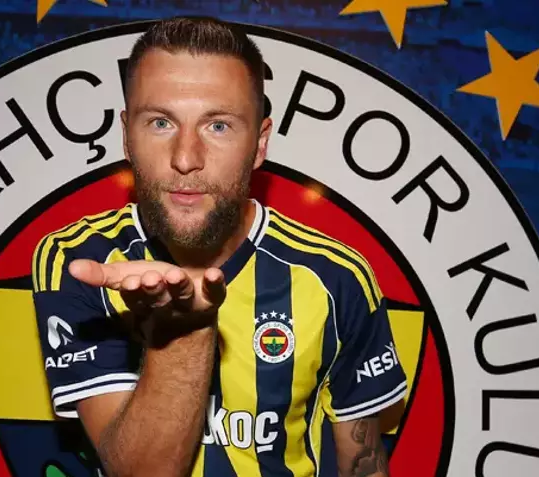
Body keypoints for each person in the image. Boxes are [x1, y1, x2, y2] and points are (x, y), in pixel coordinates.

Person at [31, 16, 407, 477]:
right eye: (161, 122)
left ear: (260, 144)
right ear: (127, 136)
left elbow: (363, 464)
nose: (185, 158)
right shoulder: (79, 259)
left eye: (219, 126)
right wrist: (184, 332)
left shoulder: (335, 277)